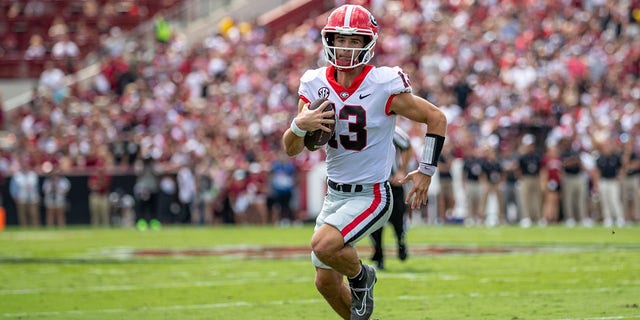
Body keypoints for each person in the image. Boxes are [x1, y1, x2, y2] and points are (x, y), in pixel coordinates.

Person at [281, 5, 447, 320]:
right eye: (339, 39)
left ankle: (362, 277)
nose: (345, 47)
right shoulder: (314, 83)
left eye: (354, 40)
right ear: (328, 40)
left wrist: (426, 171)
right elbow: (290, 148)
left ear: (367, 44)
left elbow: (436, 118)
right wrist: (301, 125)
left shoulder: (383, 83)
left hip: (371, 193)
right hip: (335, 195)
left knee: (323, 245)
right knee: (325, 281)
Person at [370, 126, 414, 270]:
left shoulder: (390, 128)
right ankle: (379, 257)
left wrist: (401, 171)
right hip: (371, 184)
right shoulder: (361, 124)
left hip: (391, 184)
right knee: (373, 225)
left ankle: (401, 243)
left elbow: (407, 146)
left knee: (397, 221)